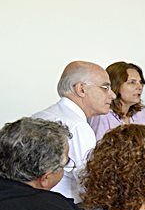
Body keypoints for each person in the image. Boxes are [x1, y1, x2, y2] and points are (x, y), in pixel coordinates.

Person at [33, 61, 114, 201]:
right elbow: (91, 185)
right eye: (105, 87)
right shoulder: (77, 127)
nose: (112, 95)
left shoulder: (40, 116)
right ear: (81, 89)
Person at [89, 61, 145, 140]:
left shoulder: (141, 112)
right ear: (115, 85)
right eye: (132, 82)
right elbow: (97, 150)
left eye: (141, 82)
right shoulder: (102, 115)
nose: (140, 87)